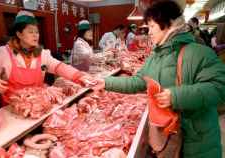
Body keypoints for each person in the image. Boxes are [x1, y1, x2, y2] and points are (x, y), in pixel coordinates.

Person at [94, 1, 225, 158]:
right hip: (168, 136)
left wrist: (176, 96)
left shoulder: (199, 53)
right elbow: (138, 81)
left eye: (152, 27)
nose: (148, 32)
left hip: (197, 143)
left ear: (168, 24)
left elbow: (219, 87)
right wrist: (106, 82)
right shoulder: (155, 57)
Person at [0, 11, 95, 103]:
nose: (35, 35)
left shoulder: (42, 53)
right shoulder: (2, 53)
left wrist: (79, 76)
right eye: (30, 32)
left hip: (39, 104)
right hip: (13, 106)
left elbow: (59, 66)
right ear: (19, 34)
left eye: (37, 32)